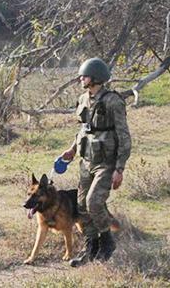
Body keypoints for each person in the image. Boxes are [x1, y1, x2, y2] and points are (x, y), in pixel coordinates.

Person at [62, 58, 131, 267]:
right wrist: (73, 149)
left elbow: (124, 136)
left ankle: (107, 242)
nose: (81, 78)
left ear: (96, 78)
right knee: (82, 206)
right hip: (86, 160)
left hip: (106, 162)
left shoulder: (112, 101)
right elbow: (84, 129)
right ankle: (91, 248)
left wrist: (119, 168)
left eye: (85, 76)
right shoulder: (83, 99)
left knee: (94, 202)